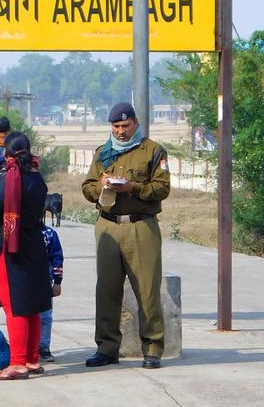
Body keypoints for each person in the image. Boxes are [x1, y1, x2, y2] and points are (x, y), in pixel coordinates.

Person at [81, 102, 171, 370]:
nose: (120, 131)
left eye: (125, 126)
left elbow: (162, 188)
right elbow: (87, 188)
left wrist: (133, 187)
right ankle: (107, 348)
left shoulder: (153, 151)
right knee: (106, 290)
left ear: (135, 123)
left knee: (147, 290)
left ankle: (152, 348)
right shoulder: (103, 152)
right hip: (108, 225)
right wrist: (102, 185)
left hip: (140, 226)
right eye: (116, 126)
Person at [0, 132, 52, 380]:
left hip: (12, 247)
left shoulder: (9, 179)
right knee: (31, 305)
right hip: (35, 245)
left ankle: (17, 363)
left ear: (6, 154)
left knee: (14, 304)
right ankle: (31, 359)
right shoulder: (37, 178)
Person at [38, 224, 64, 362]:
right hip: (23, 283)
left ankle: (43, 347)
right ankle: (25, 348)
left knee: (45, 316)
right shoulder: (19, 231)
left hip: (45, 283)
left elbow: (57, 258)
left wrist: (58, 282)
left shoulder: (49, 234)